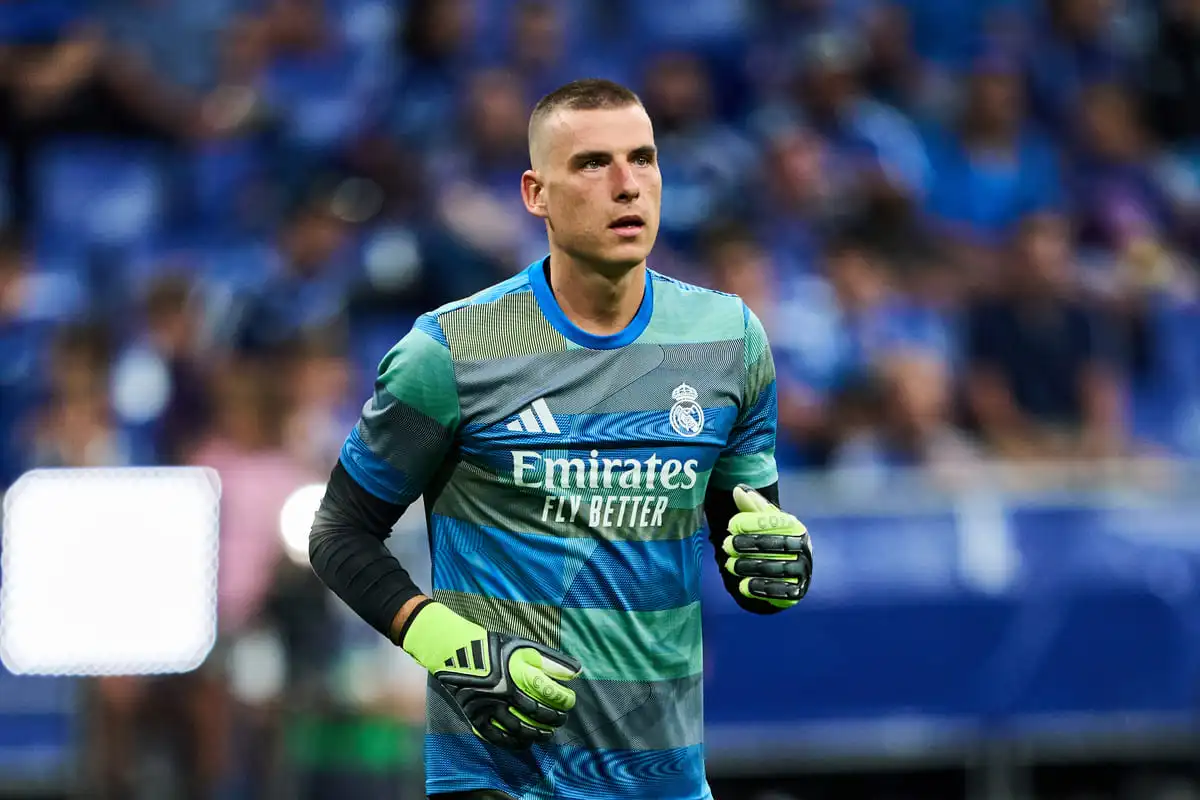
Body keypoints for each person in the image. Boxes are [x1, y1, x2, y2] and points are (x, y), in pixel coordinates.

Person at [308, 78, 814, 800]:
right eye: (591, 164)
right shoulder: (450, 352)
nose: (627, 186)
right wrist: (442, 641)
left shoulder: (729, 340)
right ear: (534, 193)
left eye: (643, 159)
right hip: (502, 781)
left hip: (667, 782)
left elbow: (747, 543)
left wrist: (780, 565)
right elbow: (338, 533)